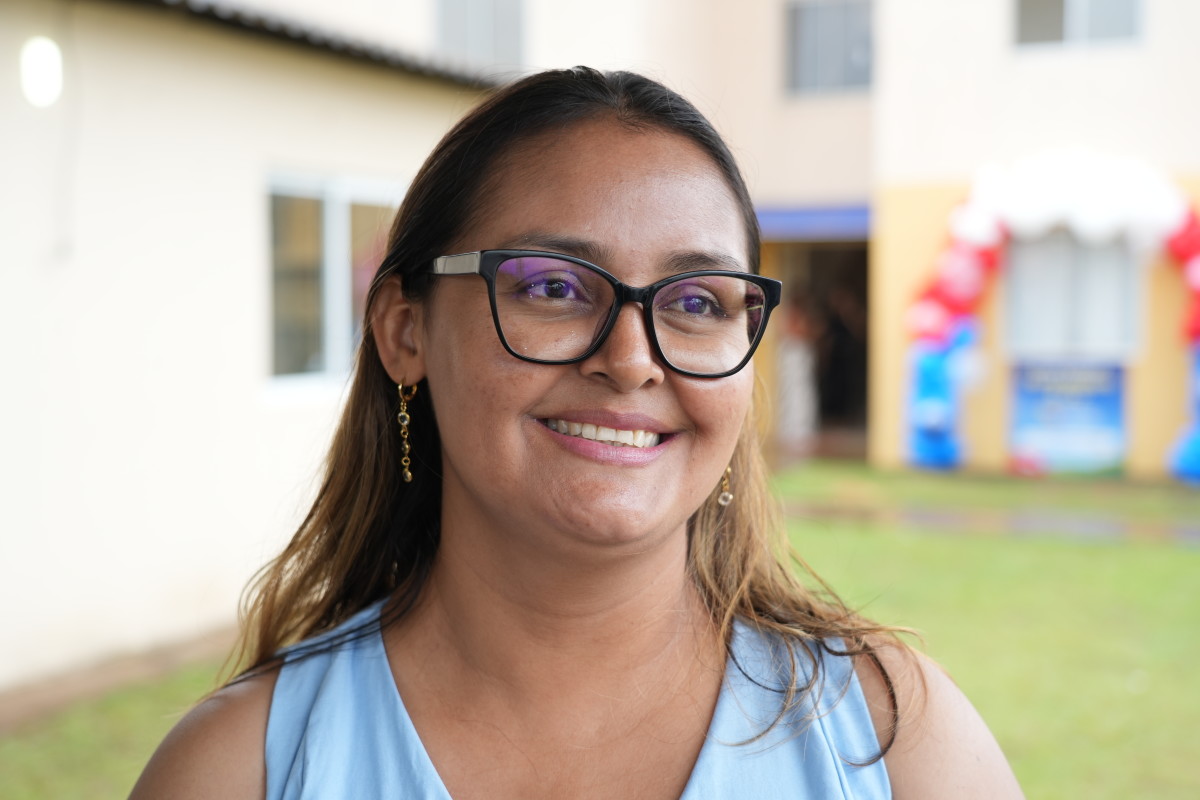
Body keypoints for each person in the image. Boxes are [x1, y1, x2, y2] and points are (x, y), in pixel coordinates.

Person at [131, 67, 1021, 799]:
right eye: (553, 287)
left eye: (698, 302)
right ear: (405, 332)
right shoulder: (236, 773)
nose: (632, 362)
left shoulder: (899, 745)